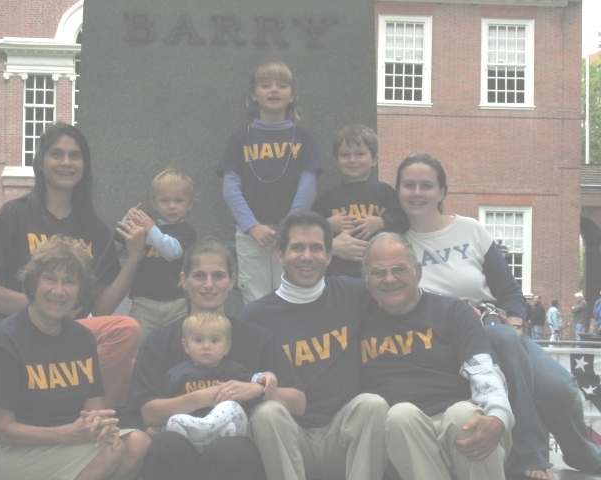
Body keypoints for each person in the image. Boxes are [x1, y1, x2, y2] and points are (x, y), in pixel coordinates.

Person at [395, 152, 601, 479]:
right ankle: (532, 454)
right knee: (500, 338)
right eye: (409, 185)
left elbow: (509, 290)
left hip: (498, 326)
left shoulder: (471, 231)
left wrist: (517, 323)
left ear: (442, 192)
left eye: (426, 185)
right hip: (451, 341)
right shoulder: (399, 246)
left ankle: (584, 455)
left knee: (560, 388)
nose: (417, 192)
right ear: (398, 192)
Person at [0, 122, 146, 408]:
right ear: (40, 162)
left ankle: (88, 421)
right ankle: (87, 419)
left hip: (73, 337)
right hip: (21, 336)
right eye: (57, 154)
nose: (66, 162)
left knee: (129, 363)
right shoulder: (14, 215)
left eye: (75, 156)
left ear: (85, 165)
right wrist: (43, 309)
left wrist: (135, 258)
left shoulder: (94, 228)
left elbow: (100, 309)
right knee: (126, 330)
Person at [0, 236, 151, 480]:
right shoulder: (5, 341)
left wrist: (99, 425)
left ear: (80, 291)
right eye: (50, 279)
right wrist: (70, 435)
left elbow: (94, 408)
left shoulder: (83, 338)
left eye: (69, 282)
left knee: (138, 443)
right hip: (3, 448)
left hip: (62, 438)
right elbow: (3, 430)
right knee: (109, 455)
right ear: (33, 284)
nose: (59, 290)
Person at [126, 237, 305, 480]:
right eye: (199, 275)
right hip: (178, 442)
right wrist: (205, 397)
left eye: (218, 276)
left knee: (226, 451)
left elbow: (298, 402)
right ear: (183, 280)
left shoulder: (256, 336)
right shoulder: (159, 341)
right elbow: (148, 412)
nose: (208, 284)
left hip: (236, 446)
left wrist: (257, 390)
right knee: (165, 446)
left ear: (232, 281)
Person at [243, 211, 389, 480]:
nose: (307, 257)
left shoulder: (352, 293)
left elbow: (401, 298)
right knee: (267, 412)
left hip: (342, 436)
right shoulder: (254, 317)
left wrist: (456, 308)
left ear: (330, 256)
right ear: (280, 255)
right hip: (290, 441)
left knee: (373, 405)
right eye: (297, 247)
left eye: (316, 248)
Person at [359, 233, 513, 480]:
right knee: (400, 416)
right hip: (404, 433)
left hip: (458, 422)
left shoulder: (453, 311)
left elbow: (483, 370)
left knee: (464, 416)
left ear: (418, 272)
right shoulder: (356, 323)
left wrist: (498, 415)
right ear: (365, 280)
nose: (389, 279)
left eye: (399, 269)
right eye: (378, 272)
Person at [217, 60, 322, 304]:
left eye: (282, 85)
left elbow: (308, 184)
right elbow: (230, 188)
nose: (274, 90)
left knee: (295, 295)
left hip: (293, 232)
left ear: (292, 95)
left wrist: (291, 224)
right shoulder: (240, 138)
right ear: (254, 95)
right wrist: (251, 225)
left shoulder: (304, 137)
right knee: (255, 298)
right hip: (251, 234)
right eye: (266, 85)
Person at [162, 310, 277, 453]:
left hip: (231, 428)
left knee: (231, 406)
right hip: (193, 430)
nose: (206, 346)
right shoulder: (177, 374)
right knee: (173, 421)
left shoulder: (234, 370)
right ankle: (203, 436)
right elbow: (170, 403)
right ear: (185, 346)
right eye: (198, 340)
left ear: (227, 347)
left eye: (214, 340)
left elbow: (255, 381)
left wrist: (268, 375)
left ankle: (208, 429)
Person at [311, 125, 408, 277]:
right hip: (338, 275)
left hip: (380, 273)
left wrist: (381, 222)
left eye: (360, 154)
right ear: (336, 160)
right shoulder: (327, 198)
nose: (352, 160)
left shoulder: (385, 192)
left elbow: (404, 219)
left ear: (374, 159)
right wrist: (327, 224)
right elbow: (308, 229)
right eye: (345, 154)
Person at [125, 168, 197, 343]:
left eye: (179, 201)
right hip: (143, 302)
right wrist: (129, 218)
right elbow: (120, 238)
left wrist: (150, 228)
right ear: (154, 203)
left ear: (190, 204)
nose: (171, 206)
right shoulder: (147, 225)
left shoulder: (186, 232)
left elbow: (172, 251)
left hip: (177, 302)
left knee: (178, 347)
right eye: (164, 201)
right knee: (136, 347)